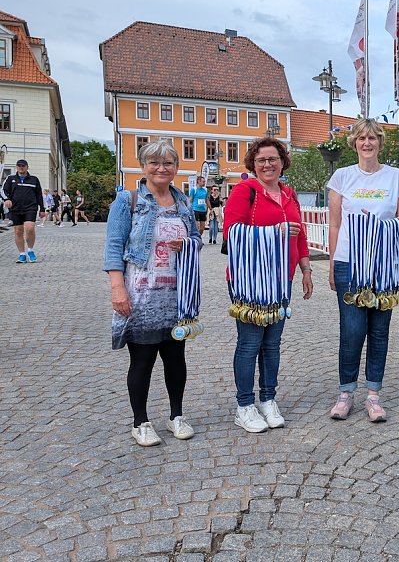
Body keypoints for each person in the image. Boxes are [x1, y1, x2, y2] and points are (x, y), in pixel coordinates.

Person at [103, 141, 200, 447]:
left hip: (176, 293)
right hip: (141, 294)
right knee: (142, 360)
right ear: (143, 166)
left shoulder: (182, 201)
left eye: (168, 163)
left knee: (176, 359)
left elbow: (196, 238)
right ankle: (140, 421)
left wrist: (186, 244)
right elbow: (114, 246)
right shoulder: (127, 200)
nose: (162, 168)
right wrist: (118, 289)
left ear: (176, 167)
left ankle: (176, 415)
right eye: (155, 163)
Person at [223, 137, 314, 433]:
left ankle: (268, 399)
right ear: (253, 163)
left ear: (282, 161)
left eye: (273, 159)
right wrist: (274, 231)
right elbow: (231, 234)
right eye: (261, 160)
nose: (267, 164)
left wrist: (305, 269)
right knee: (250, 344)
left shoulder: (289, 194)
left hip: (279, 280)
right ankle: (245, 405)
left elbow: (299, 235)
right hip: (250, 279)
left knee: (272, 345)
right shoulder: (244, 191)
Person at [326, 119, 399, 422]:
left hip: (383, 264)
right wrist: (334, 262)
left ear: (379, 143)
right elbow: (334, 223)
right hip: (349, 261)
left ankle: (373, 396)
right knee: (352, 330)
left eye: (373, 138)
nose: (367, 143)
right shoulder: (342, 177)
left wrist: (380, 225)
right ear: (354, 143)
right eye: (362, 138)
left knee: (379, 331)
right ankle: (346, 393)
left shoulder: (395, 177)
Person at [2, 159, 45, 263]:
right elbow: (3, 190)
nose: (21, 167)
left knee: (30, 228)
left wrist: (42, 209)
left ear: (27, 167)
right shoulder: (10, 178)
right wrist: (7, 199)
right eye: (19, 165)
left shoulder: (34, 180)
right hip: (16, 208)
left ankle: (30, 250)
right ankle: (22, 254)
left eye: (23, 165)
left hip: (30, 207)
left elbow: (39, 195)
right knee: (18, 231)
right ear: (16, 167)